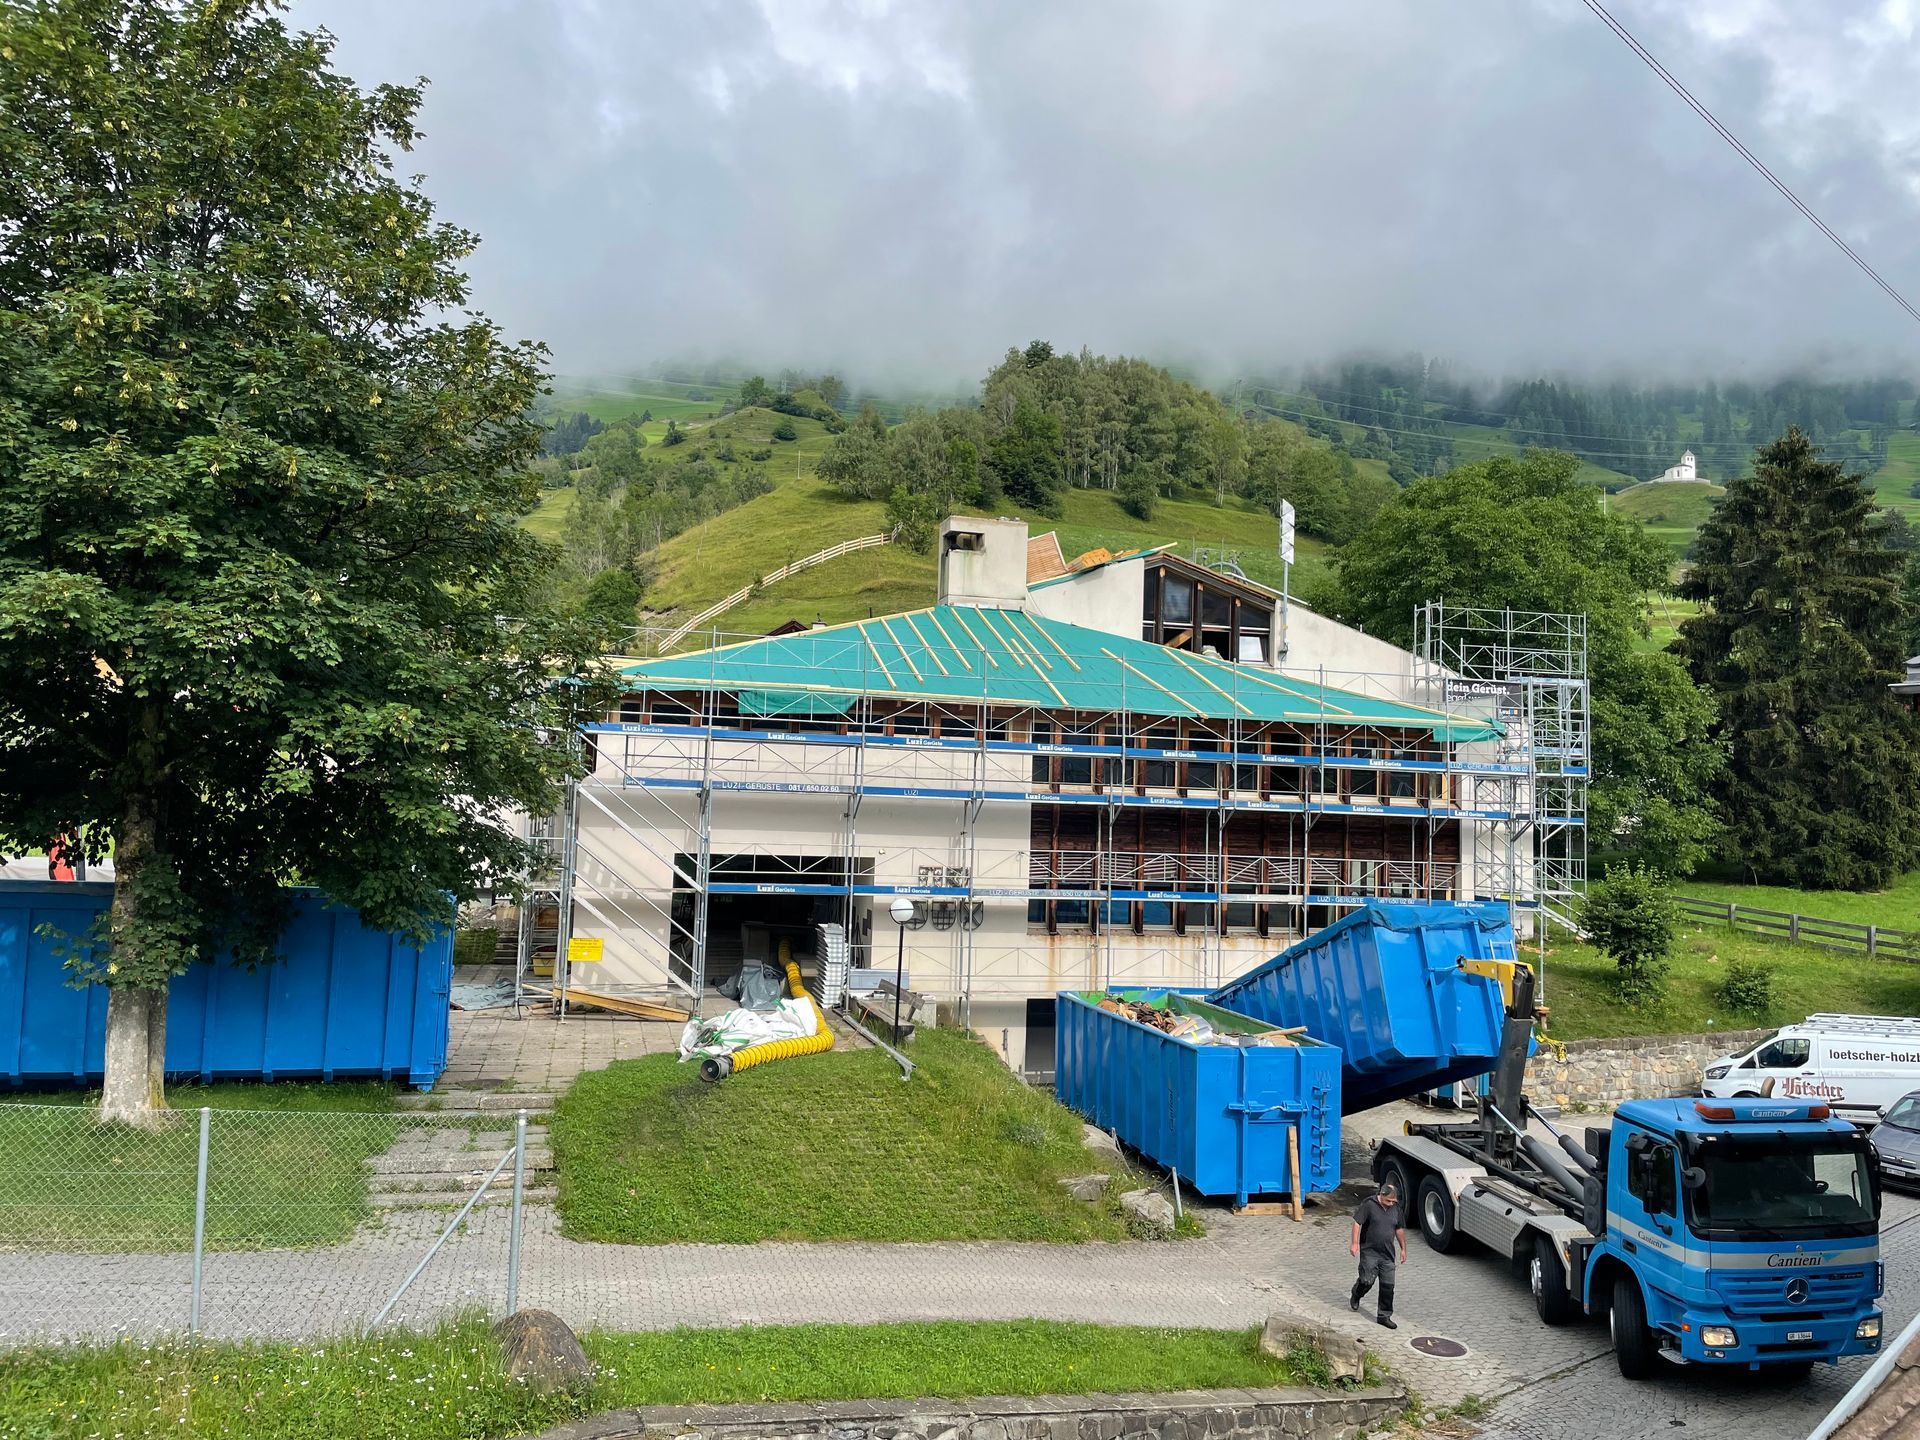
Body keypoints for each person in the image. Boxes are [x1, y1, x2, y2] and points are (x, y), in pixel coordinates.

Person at [1349, 1180, 1408, 1329]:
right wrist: (1355, 1243)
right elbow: (1357, 1223)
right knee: (1367, 1281)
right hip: (1370, 1252)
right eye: (1388, 1200)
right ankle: (1357, 1293)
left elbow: (1399, 1229)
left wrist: (1403, 1249)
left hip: (1387, 1255)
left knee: (1388, 1287)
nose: (1391, 1204)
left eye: (1394, 1201)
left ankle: (1384, 1315)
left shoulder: (1396, 1209)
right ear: (1381, 1195)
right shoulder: (1369, 1205)